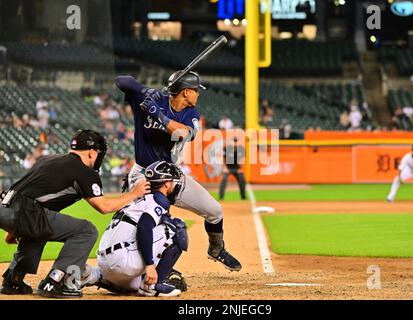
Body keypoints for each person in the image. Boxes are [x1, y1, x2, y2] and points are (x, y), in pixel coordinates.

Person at [115, 72, 242, 272]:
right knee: (153, 223)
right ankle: (157, 268)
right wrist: (144, 90)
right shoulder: (149, 100)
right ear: (185, 92)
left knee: (215, 211)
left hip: (172, 175)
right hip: (144, 176)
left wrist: (158, 114)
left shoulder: (191, 114)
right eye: (196, 91)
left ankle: (217, 249)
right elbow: (122, 80)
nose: (198, 95)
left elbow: (183, 133)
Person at [0, 129, 150, 298]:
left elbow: (27, 191)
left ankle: (13, 280)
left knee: (38, 229)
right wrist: (134, 194)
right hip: (26, 212)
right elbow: (104, 206)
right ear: (92, 153)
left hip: (8, 205)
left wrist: (14, 227)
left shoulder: (48, 160)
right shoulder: (83, 170)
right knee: (86, 231)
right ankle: (58, 281)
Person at [81, 161, 187, 297]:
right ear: (166, 183)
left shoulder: (136, 198)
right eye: (172, 181)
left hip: (104, 263)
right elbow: (144, 227)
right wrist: (149, 265)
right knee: (177, 227)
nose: (174, 184)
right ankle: (153, 286)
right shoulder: (158, 200)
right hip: (123, 263)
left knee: (137, 285)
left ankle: (95, 276)